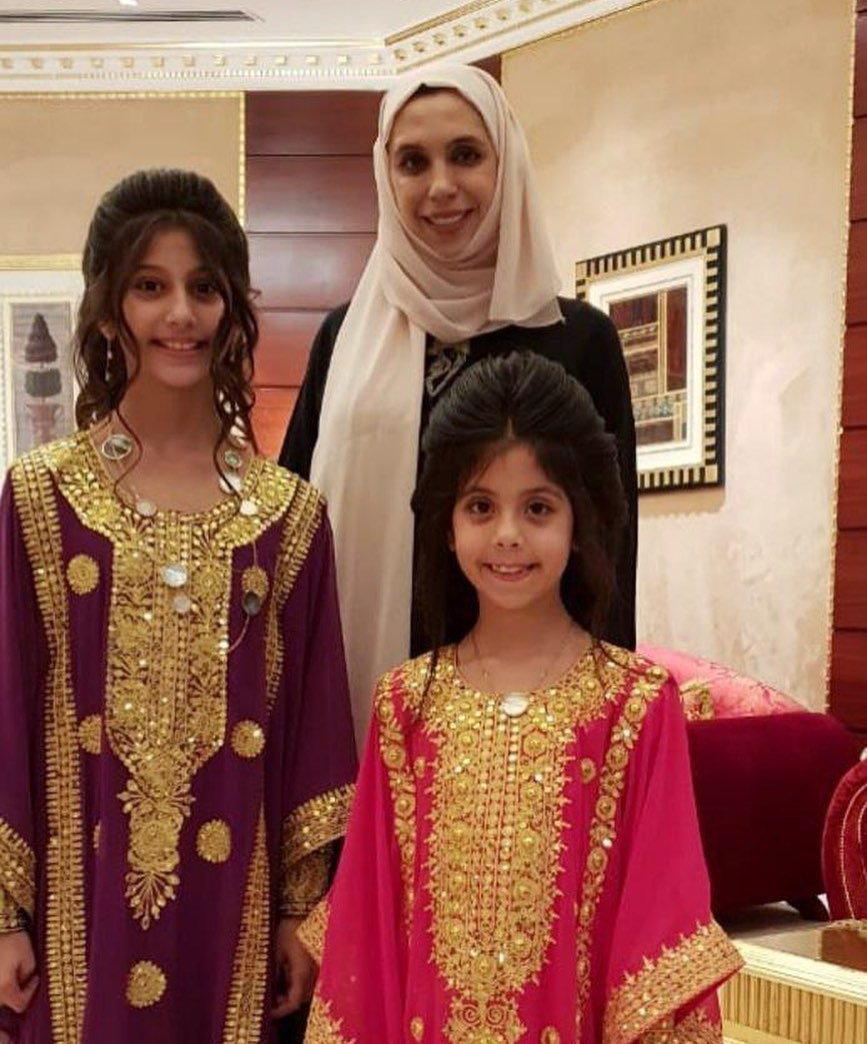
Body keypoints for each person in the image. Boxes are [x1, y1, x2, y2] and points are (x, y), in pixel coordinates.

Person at [0, 169, 357, 1042]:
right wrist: (4, 916)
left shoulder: (287, 516)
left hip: (234, 918)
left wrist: (298, 914)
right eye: (149, 287)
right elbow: (3, 707)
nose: (180, 314)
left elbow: (314, 729)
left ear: (232, 309)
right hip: (75, 917)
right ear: (108, 310)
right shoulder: (42, 500)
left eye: (203, 288)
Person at [300, 353, 740, 1042]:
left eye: (537, 507)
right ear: (448, 525)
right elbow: (371, 927)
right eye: (481, 506)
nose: (507, 533)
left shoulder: (632, 706)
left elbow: (656, 931)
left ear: (578, 521)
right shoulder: (406, 704)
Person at [280, 64, 637, 746]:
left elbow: (609, 554)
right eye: (413, 162)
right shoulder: (343, 340)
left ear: (506, 164)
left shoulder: (575, 340)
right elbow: (296, 531)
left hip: (532, 710)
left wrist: (604, 726)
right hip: (362, 694)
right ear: (386, 176)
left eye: (465, 155)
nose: (440, 186)